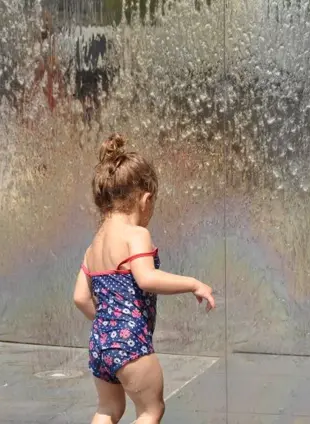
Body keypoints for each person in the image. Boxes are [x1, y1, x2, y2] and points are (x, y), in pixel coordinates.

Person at [73, 133, 216, 424]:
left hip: (100, 343)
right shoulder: (136, 235)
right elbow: (147, 278)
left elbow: (80, 297)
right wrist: (193, 283)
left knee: (108, 410)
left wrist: (107, 326)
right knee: (151, 410)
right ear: (145, 199)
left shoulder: (94, 245)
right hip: (130, 343)